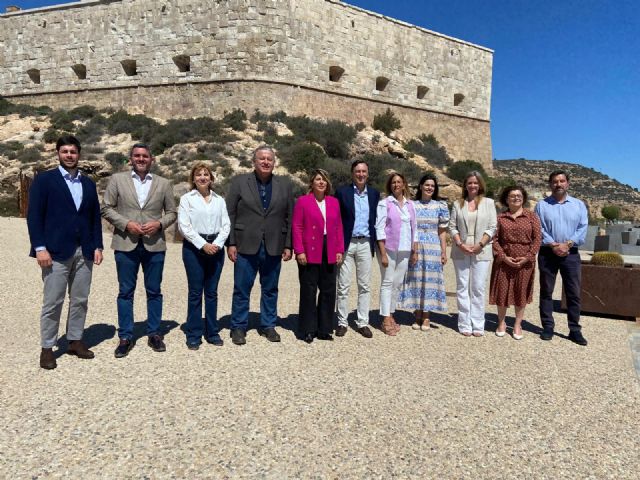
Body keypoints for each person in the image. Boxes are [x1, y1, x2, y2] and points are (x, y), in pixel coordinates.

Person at [27, 135, 104, 370]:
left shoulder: (88, 183)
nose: (69, 155)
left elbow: (94, 218)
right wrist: (40, 248)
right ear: (58, 154)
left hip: (85, 251)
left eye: (73, 151)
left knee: (80, 299)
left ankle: (75, 340)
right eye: (65, 151)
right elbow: (34, 216)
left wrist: (98, 245)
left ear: (79, 154)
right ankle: (47, 348)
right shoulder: (45, 180)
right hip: (55, 251)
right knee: (53, 301)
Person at [101, 143, 177, 358]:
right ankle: (125, 336)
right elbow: (106, 208)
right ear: (131, 159)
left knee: (154, 291)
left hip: (154, 244)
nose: (141, 159)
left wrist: (160, 224)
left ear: (151, 159)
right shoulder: (117, 180)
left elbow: (171, 212)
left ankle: (154, 333)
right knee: (126, 292)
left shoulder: (163, 183)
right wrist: (127, 224)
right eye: (137, 156)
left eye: (145, 156)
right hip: (126, 242)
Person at [226, 145, 293, 345]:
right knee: (241, 288)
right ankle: (238, 326)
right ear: (254, 161)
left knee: (270, 288)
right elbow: (230, 213)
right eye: (261, 158)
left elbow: (290, 216)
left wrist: (288, 245)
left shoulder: (284, 185)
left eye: (269, 159)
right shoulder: (239, 182)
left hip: (274, 244)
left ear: (274, 163)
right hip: (245, 243)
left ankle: (268, 325)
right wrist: (231, 242)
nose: (265, 162)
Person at [177, 162, 230, 350]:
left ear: (211, 178)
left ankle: (212, 332)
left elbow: (226, 225)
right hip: (194, 249)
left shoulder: (219, 200)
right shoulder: (187, 199)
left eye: (206, 174)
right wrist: (203, 245)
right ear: (193, 178)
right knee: (195, 292)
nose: (202, 177)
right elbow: (184, 226)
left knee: (212, 292)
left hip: (216, 247)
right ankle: (193, 333)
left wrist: (216, 244)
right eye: (198, 174)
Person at [534, 170, 588, 345]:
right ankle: (548, 327)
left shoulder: (579, 205)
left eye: (562, 181)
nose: (558, 184)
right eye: (555, 181)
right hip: (547, 254)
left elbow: (582, 227)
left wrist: (568, 244)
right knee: (546, 292)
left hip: (571, 254)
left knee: (573, 293)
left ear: (568, 183)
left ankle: (574, 330)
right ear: (550, 184)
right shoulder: (541, 206)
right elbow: (538, 228)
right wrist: (553, 245)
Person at [292, 169, 344, 343]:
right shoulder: (303, 201)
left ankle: (324, 329)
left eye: (324, 180)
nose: (321, 182)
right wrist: (299, 250)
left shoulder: (334, 202)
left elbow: (338, 228)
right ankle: (308, 329)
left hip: (329, 248)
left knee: (328, 290)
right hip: (309, 249)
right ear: (312, 183)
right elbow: (297, 227)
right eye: (318, 179)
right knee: (309, 290)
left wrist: (339, 250)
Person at [334, 159, 380, 338]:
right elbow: (336, 219)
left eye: (364, 171)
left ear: (367, 174)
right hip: (347, 243)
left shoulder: (374, 194)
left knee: (365, 285)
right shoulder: (342, 192)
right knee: (343, 285)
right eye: (358, 171)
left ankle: (362, 322)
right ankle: (342, 322)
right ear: (352, 173)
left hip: (365, 243)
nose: (361, 174)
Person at [489, 186, 541, 339]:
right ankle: (501, 322)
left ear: (523, 198)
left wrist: (528, 257)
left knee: (520, 292)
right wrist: (504, 257)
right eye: (512, 196)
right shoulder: (500, 218)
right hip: (504, 261)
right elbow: (495, 239)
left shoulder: (532, 217)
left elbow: (537, 239)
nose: (516, 198)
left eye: (519, 195)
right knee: (502, 292)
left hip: (525, 262)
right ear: (506, 199)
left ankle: (518, 324)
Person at [449, 171, 497, 337]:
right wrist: (460, 244)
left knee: (477, 287)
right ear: (465, 185)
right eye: (469, 183)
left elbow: (492, 227)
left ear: (480, 185)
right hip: (460, 249)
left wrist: (480, 244)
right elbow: (452, 226)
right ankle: (464, 323)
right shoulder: (457, 204)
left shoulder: (489, 203)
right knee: (462, 286)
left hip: (481, 250)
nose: (473, 186)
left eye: (475, 183)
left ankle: (477, 323)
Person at [399, 173, 449, 330]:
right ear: (421, 186)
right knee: (417, 278)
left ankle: (426, 315)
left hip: (433, 245)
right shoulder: (412, 205)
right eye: (427, 185)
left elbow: (442, 231)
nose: (429, 188)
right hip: (416, 245)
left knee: (430, 280)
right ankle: (418, 312)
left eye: (432, 186)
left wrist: (443, 251)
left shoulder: (440, 206)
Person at [375, 172, 418, 336]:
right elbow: (379, 228)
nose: (396, 185)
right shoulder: (384, 204)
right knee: (387, 282)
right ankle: (385, 318)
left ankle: (390, 313)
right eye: (393, 182)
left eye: (399, 182)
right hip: (389, 249)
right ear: (390, 185)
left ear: (404, 184)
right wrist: (383, 252)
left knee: (397, 283)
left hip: (405, 249)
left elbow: (415, 229)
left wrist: (415, 250)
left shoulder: (410, 205)